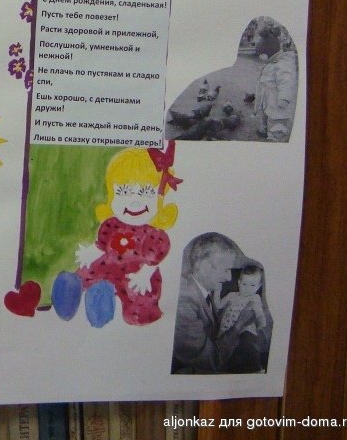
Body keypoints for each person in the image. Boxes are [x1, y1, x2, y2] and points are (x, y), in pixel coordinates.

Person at [75, 148, 178, 325]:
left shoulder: (155, 235)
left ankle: (115, 306)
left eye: (145, 192)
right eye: (124, 192)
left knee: (140, 304)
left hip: (135, 277)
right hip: (108, 269)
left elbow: (153, 262)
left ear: (159, 198)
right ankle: (93, 298)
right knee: (85, 277)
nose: (135, 201)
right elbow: (101, 245)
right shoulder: (111, 225)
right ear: (111, 196)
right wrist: (89, 252)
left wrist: (144, 275)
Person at [170, 233, 251, 374]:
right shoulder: (184, 304)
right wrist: (238, 326)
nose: (229, 278)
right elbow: (210, 360)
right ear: (206, 267)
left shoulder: (203, 290)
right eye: (226, 270)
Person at [214, 264, 272, 373]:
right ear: (239, 283)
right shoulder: (231, 295)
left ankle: (256, 368)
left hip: (246, 330)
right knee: (225, 350)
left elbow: (260, 315)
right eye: (244, 284)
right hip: (226, 329)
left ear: (259, 286)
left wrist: (261, 326)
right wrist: (217, 292)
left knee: (249, 347)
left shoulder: (254, 299)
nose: (247, 288)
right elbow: (218, 305)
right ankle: (223, 367)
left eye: (252, 285)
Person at [254, 25, 297, 142]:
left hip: (278, 102)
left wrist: (284, 98)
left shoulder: (283, 65)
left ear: (269, 51)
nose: (260, 57)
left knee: (277, 121)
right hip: (268, 99)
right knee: (265, 115)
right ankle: (264, 129)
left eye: (261, 54)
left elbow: (287, 81)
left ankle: (275, 138)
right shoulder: (271, 63)